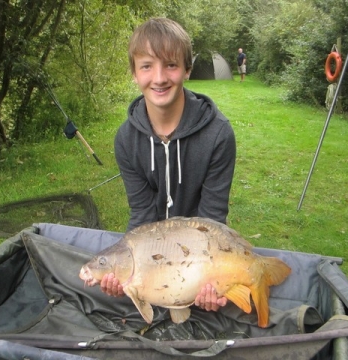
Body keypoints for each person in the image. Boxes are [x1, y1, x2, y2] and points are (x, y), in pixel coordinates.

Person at [101, 18, 236, 313]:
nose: (159, 78)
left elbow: (212, 220)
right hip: (153, 256)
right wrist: (125, 269)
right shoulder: (125, 139)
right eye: (147, 66)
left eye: (171, 65)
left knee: (216, 291)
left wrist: (212, 278)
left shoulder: (218, 134)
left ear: (187, 69)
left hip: (202, 253)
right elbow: (142, 215)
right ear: (134, 73)